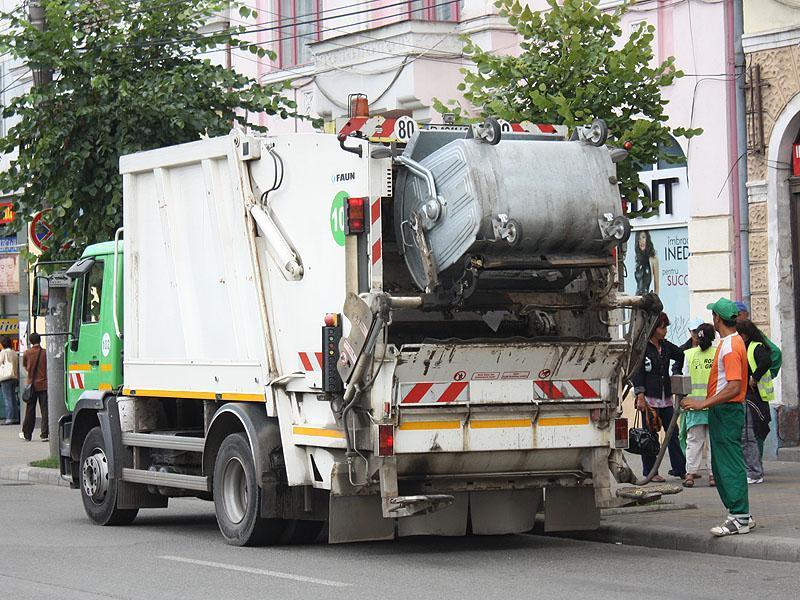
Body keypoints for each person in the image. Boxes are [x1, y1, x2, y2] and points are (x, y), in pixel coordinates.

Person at [681, 298, 753, 536]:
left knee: (728, 464)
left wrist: (702, 403)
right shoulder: (731, 343)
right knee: (721, 464)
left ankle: (739, 517)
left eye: (713, 314)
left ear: (717, 319)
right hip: (724, 410)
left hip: (727, 410)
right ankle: (740, 514)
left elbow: (733, 387)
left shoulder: (731, 347)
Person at [631, 312, 686, 482]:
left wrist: (676, 372)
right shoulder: (642, 348)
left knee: (672, 434)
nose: (665, 330)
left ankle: (679, 469)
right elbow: (637, 371)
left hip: (666, 399)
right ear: (654, 328)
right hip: (649, 400)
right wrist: (640, 394)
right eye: (663, 327)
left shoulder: (666, 346)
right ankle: (650, 472)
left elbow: (681, 354)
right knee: (650, 436)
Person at [736, 319, 773, 484]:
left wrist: (754, 377)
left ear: (744, 335)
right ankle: (754, 470)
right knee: (751, 436)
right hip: (751, 397)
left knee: (749, 437)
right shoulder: (750, 346)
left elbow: (766, 361)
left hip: (754, 398)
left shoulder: (755, 347)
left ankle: (755, 472)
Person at [680, 323, 716, 488]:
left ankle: (689, 475)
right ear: (713, 337)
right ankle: (713, 475)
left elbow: (685, 380)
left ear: (697, 336)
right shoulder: (717, 353)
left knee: (694, 442)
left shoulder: (689, 354)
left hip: (694, 406)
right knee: (713, 443)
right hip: (715, 406)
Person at [735, 301, 781, 378]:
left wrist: (765, 374)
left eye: (739, 315)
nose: (736, 319)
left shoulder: (751, 332)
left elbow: (775, 352)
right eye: (733, 316)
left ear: (747, 314)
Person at [20, 332, 48, 442]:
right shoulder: (45, 353)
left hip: (31, 385)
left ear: (31, 342)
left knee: (30, 410)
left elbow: (25, 366)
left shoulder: (27, 353)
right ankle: (44, 434)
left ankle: (27, 434)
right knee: (45, 410)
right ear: (40, 341)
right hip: (43, 384)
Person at [0, 336, 19, 425]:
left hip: (6, 378)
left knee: (7, 398)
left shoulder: (3, 352)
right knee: (13, 398)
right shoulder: (14, 352)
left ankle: (9, 418)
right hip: (14, 377)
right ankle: (15, 417)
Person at [634, 230, 659, 296]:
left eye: (643, 237)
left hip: (647, 299)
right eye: (639, 239)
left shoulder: (653, 259)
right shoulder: (638, 260)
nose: (641, 241)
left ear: (647, 239)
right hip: (637, 298)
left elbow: (656, 286)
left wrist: (655, 300)